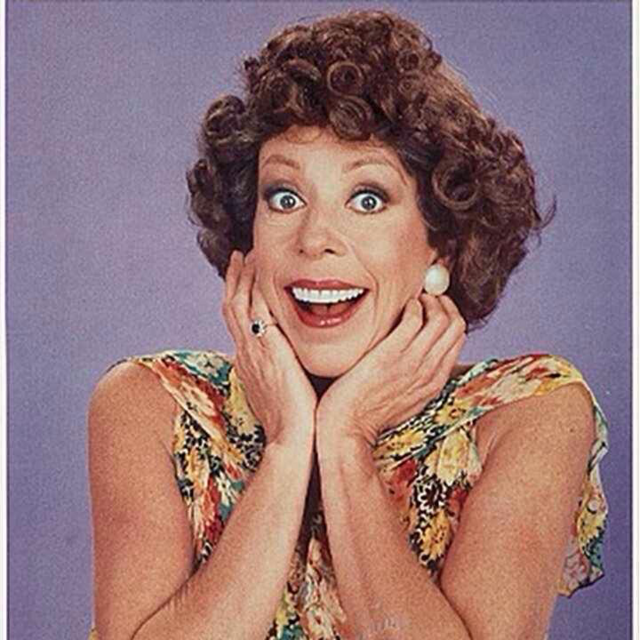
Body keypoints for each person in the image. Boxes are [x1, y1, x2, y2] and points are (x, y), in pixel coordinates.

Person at [87, 9, 608, 640]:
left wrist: (344, 442)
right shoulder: (152, 405)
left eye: (367, 199)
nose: (315, 240)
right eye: (285, 197)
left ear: (441, 242)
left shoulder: (530, 411)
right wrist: (287, 448)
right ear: (249, 233)